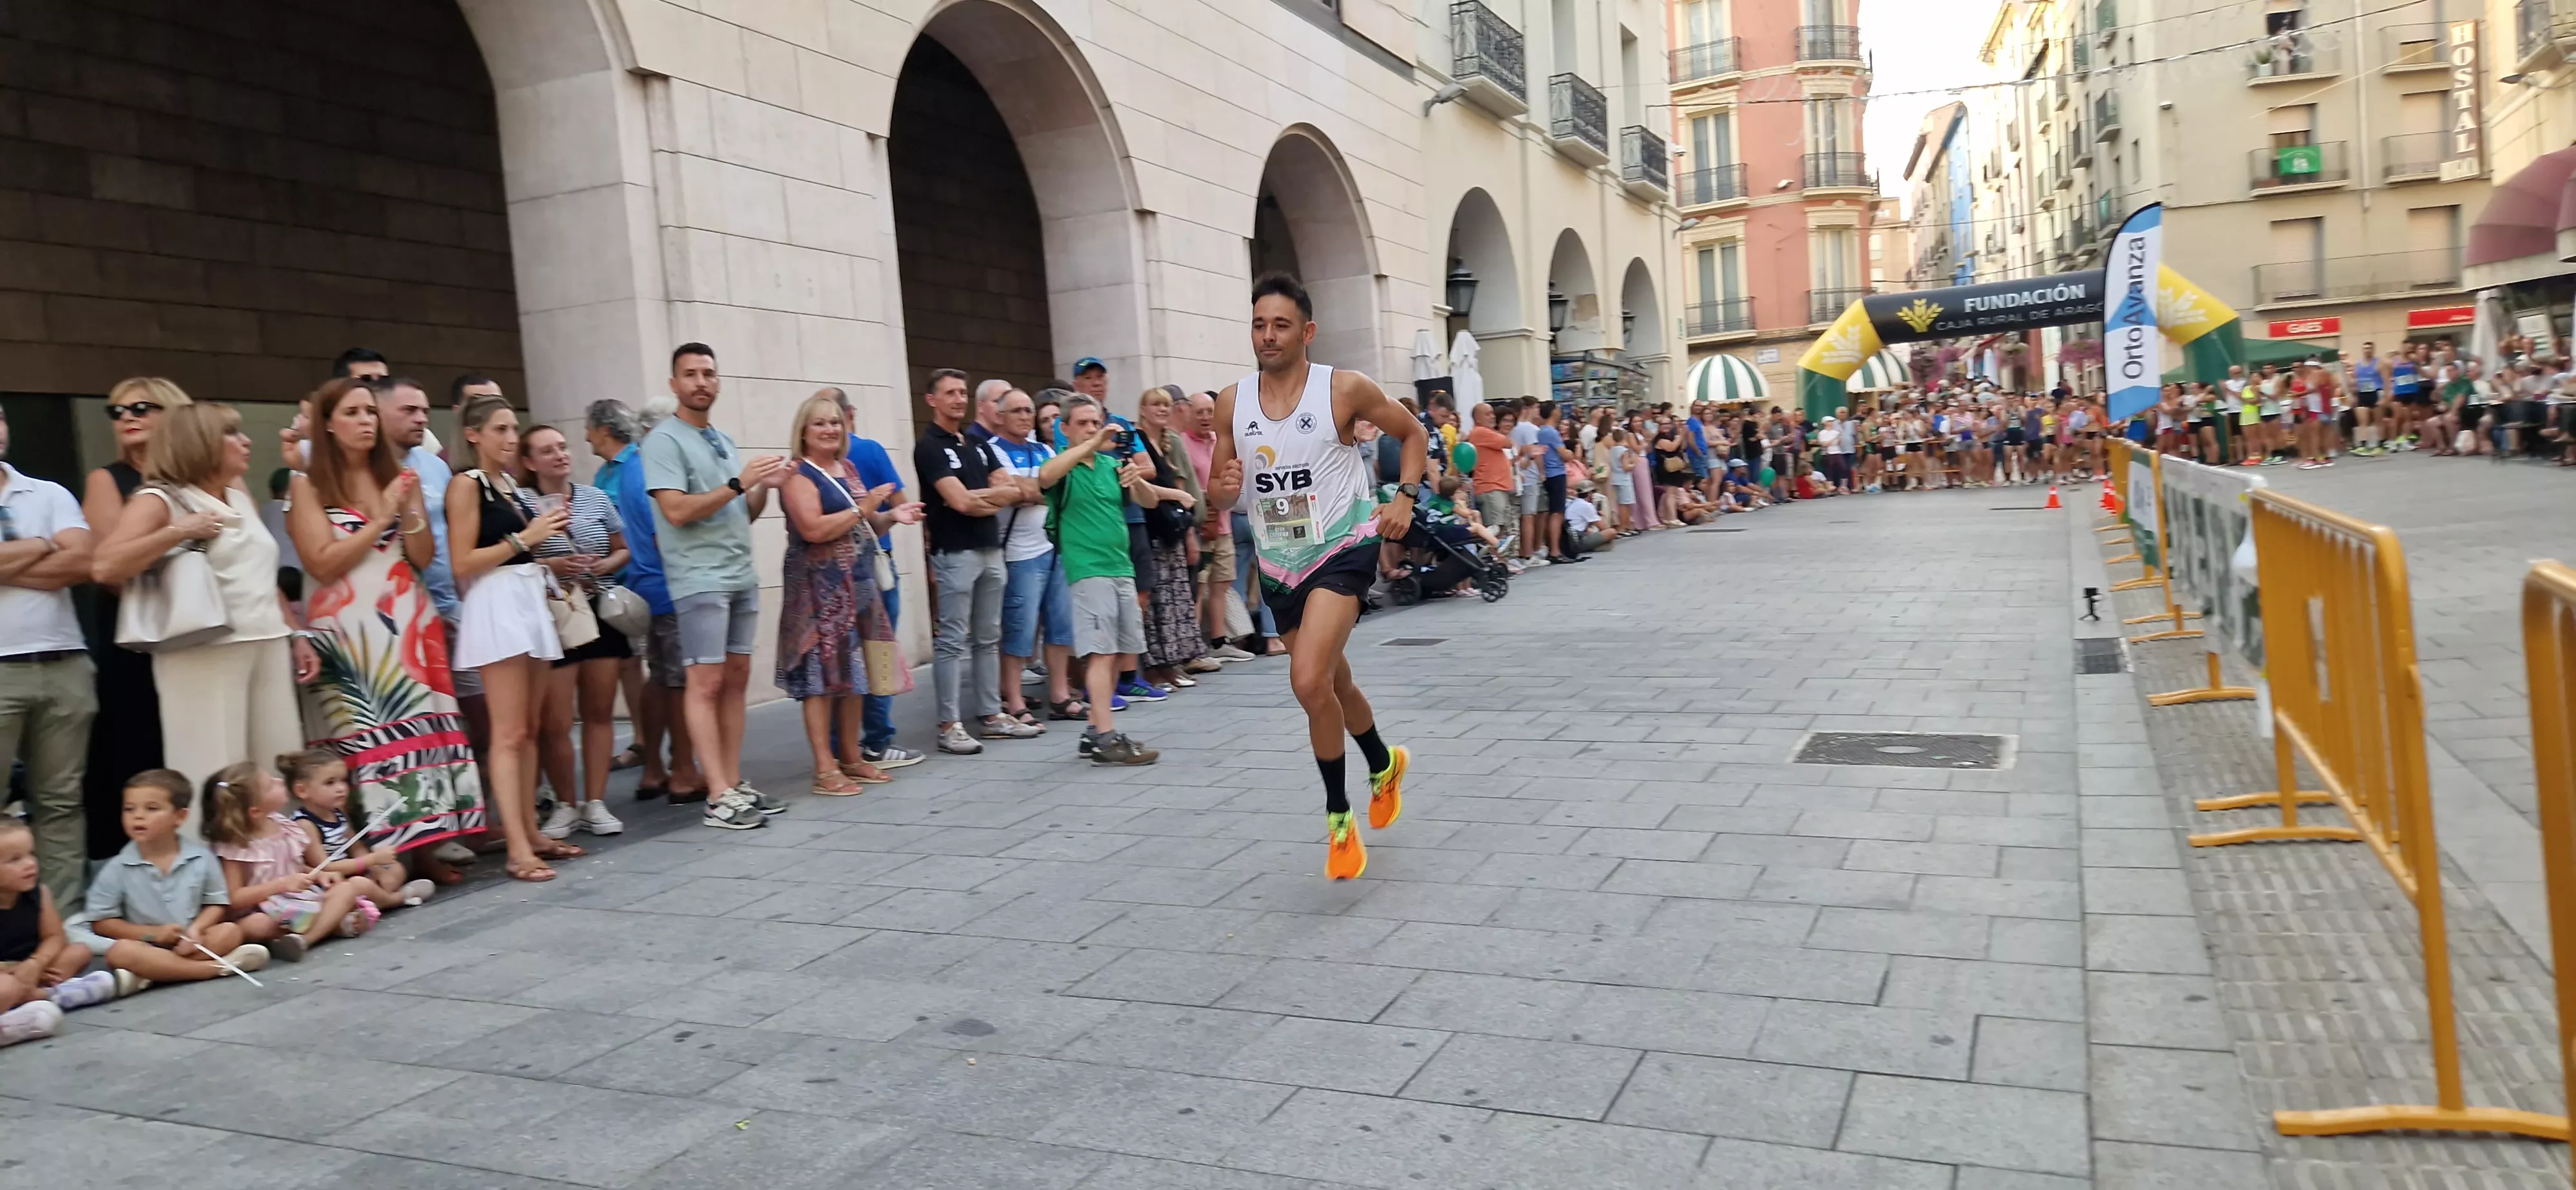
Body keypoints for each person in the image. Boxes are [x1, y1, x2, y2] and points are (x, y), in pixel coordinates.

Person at [1206, 274, 1419, 881]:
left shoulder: (1344, 389)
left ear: (1307, 331)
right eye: (1258, 324)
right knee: (1329, 684)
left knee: (1305, 680)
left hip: (1342, 547)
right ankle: (1384, 763)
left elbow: (1414, 434)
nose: (1267, 335)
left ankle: (1338, 819)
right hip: (1279, 563)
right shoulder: (1231, 401)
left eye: (1280, 324)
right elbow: (1220, 493)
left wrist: (1402, 498)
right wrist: (1218, 492)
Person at [287, 377, 485, 878]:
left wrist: (410, 507)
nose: (365, 422)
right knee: (364, 737)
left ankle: (424, 850)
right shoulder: (306, 484)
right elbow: (322, 562)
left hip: (409, 621)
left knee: (420, 736)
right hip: (349, 632)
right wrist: (381, 518)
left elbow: (422, 556)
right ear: (328, 424)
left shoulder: (396, 475)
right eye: (352, 413)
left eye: (370, 413)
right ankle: (373, 858)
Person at [92, 402, 315, 839]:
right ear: (200, 444)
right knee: (213, 766)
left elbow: (263, 572)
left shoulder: (236, 491)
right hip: (203, 648)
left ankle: (279, 869)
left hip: (267, 639)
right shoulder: (158, 498)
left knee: (276, 761)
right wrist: (180, 531)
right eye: (231, 434)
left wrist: (296, 634)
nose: (246, 441)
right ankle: (213, 880)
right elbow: (105, 567)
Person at [646, 343, 788, 824]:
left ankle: (732, 781)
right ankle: (716, 794)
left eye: (708, 373)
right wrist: (737, 483)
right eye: (690, 374)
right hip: (699, 578)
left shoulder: (721, 439)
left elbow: (740, 512)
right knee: (704, 684)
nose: (701, 382)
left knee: (735, 682)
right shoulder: (663, 441)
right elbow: (677, 511)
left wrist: (765, 486)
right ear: (674, 384)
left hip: (738, 573)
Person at [446, 393, 577, 875]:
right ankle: (517, 846)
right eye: (499, 429)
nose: (509, 438)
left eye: (512, 429)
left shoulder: (511, 488)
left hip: (528, 596)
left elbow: (520, 552)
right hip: (497, 602)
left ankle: (531, 831)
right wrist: (525, 539)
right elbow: (463, 562)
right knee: (509, 732)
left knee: (530, 728)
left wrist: (544, 556)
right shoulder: (466, 485)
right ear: (473, 434)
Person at [778, 391, 920, 795]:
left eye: (835, 422)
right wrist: (865, 508)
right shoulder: (797, 474)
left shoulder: (850, 467)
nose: (829, 429)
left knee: (858, 673)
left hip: (858, 584)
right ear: (803, 432)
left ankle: (852, 758)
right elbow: (814, 529)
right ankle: (825, 769)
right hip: (816, 590)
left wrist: (892, 515)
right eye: (820, 423)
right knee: (819, 679)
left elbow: (864, 527)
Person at [79, 379, 180, 876]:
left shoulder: (195, 474)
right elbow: (112, 565)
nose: (126, 417)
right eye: (115, 410)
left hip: (195, 636)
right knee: (134, 748)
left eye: (142, 407)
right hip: (134, 637)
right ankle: (132, 875)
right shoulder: (108, 478)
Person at [0, 406, 98, 912]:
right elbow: (61, 556)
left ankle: (64, 916)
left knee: (61, 801)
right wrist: (41, 545)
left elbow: (82, 560)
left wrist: (8, 561)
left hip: (65, 661)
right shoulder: (46, 517)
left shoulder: (49, 493)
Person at [913, 367, 1037, 754]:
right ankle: (949, 724)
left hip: (990, 548)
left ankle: (991, 714)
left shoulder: (977, 444)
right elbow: (959, 502)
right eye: (949, 393)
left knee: (988, 637)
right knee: (953, 640)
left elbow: (1018, 489)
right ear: (932, 400)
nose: (958, 399)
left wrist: (981, 497)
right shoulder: (929, 446)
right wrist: (987, 497)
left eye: (962, 392)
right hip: (955, 553)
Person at [520, 424, 630, 840]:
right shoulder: (522, 503)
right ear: (530, 462)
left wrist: (607, 564)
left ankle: (596, 802)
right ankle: (566, 803)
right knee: (557, 719)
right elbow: (516, 556)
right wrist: (553, 568)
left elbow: (623, 547)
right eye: (547, 450)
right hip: (554, 612)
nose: (559, 455)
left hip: (599, 607)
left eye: (563, 447)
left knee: (600, 710)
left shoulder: (596, 497)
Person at [593, 399, 706, 800]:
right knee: (678, 682)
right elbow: (665, 536)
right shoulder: (650, 470)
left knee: (660, 679)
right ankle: (682, 770)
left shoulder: (628, 470)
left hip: (649, 586)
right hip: (669, 586)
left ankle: (657, 769)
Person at [1041, 396, 1160, 766]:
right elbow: (1045, 477)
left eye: (1096, 422)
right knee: (1101, 652)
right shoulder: (1064, 467)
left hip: (1120, 567)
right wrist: (1091, 445)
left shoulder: (1110, 465)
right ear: (1065, 429)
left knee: (1115, 654)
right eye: (1083, 423)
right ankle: (1107, 738)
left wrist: (1135, 480)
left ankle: (1096, 730)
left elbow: (1151, 501)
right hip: (1088, 570)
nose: (1093, 429)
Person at [80, 769, 272, 993]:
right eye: (129, 809)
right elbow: (102, 922)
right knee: (121, 952)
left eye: (151, 809)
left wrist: (198, 929)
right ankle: (213, 969)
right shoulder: (117, 867)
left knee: (230, 931)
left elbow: (217, 904)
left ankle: (154, 975)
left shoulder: (201, 858)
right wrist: (152, 934)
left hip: (192, 943)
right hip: (148, 945)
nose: (138, 816)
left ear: (180, 817)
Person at [822, 388, 926, 771]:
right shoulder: (866, 453)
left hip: (845, 573)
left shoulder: (823, 463)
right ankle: (876, 740)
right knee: (876, 653)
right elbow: (898, 503)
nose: (830, 426)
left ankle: (841, 746)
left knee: (846, 659)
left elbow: (892, 507)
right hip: (868, 570)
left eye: (831, 418)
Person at [202, 759, 378, 959]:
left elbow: (291, 863)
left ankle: (306, 939)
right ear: (256, 812)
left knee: (346, 889)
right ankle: (329, 927)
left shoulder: (282, 825)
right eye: (270, 784)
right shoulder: (236, 846)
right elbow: (235, 898)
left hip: (299, 899)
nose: (279, 781)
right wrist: (282, 885)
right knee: (257, 925)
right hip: (266, 909)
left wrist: (318, 874)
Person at [988, 390, 1083, 722]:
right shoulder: (992, 451)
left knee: (1060, 624)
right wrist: (1037, 489)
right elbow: (1012, 493)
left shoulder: (1044, 449)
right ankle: (1013, 699)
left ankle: (1059, 694)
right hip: (1019, 552)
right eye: (1017, 410)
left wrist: (1034, 490)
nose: (1025, 416)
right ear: (1000, 415)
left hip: (1054, 546)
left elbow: (1059, 490)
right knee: (1020, 626)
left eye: (1029, 410)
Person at [582, 401, 655, 780]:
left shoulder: (636, 464)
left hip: (638, 583)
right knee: (630, 668)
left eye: (588, 428)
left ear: (604, 430)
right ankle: (644, 742)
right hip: (612, 588)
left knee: (647, 669)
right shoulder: (602, 473)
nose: (584, 436)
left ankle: (652, 747)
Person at [281, 748, 433, 911]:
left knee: (396, 869)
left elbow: (356, 846)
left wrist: (375, 868)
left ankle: (367, 903)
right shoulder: (305, 824)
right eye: (330, 783)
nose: (341, 788)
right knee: (358, 885)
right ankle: (396, 899)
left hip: (352, 873)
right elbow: (326, 867)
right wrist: (372, 860)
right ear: (302, 791)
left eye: (343, 781)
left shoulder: (338, 812)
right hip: (330, 881)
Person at [0, 818, 115, 1022]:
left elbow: (55, 937)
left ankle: (27, 1001)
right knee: (6, 988)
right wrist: (16, 970)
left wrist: (35, 965)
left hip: (37, 965)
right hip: (6, 972)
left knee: (79, 951)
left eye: (31, 854)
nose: (30, 864)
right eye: (15, 859)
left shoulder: (40, 893)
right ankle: (48, 996)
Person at [1133, 384, 1209, 688]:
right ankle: (1154, 669)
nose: (1162, 410)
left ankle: (1171, 664)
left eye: (1166, 405)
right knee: (1156, 603)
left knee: (1175, 599)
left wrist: (1189, 533)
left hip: (1173, 530)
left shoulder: (1166, 442)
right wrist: (1177, 494)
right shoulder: (1137, 441)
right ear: (1142, 410)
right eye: (1155, 405)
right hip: (1150, 530)